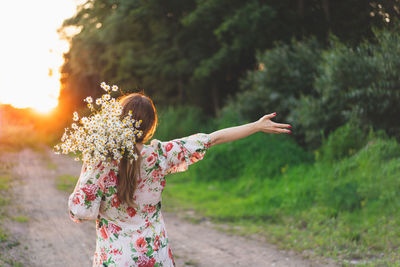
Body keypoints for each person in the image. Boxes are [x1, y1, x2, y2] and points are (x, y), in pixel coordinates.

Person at [68, 92, 291, 267]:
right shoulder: (160, 155)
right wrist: (256, 125)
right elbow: (213, 138)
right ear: (149, 126)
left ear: (117, 122)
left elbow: (80, 211)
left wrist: (90, 165)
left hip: (114, 259)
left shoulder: (101, 161)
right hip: (154, 255)